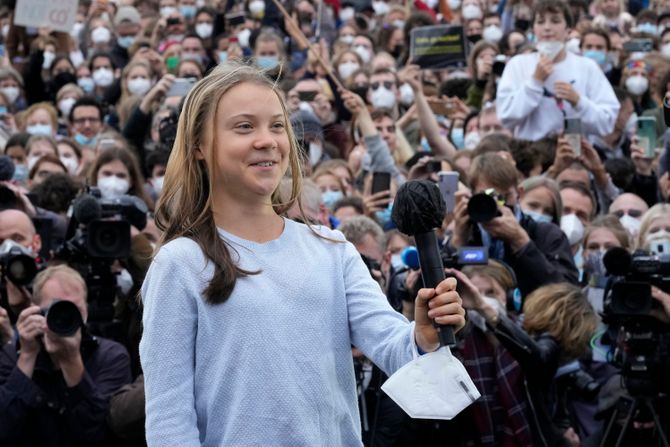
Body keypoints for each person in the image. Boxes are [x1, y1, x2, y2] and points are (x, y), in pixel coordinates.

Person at [139, 61, 466, 446]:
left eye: (277, 126)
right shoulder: (179, 263)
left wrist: (423, 334)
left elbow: (395, 348)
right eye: (245, 127)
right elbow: (169, 420)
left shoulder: (331, 249)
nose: (267, 140)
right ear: (198, 146)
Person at [0, 264, 132, 445]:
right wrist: (27, 356)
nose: (64, 317)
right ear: (36, 311)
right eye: (56, 308)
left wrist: (71, 361)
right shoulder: (13, 354)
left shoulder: (111, 356)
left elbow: (100, 434)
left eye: (73, 309)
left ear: (85, 312)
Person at [496, 0, 619, 141]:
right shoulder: (518, 64)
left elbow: (607, 122)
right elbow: (505, 116)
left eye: (555, 21)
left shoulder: (587, 67)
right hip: (530, 154)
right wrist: (535, 83)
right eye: (540, 22)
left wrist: (578, 101)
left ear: (568, 30)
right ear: (534, 29)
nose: (547, 28)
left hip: (573, 152)